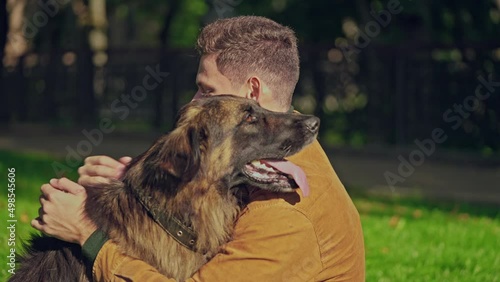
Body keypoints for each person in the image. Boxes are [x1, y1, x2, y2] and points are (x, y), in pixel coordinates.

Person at [33, 16, 365, 281]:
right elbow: (208, 183)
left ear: (251, 93)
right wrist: (150, 182)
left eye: (206, 91)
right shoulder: (282, 144)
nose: (194, 102)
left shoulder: (285, 215)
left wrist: (86, 233)